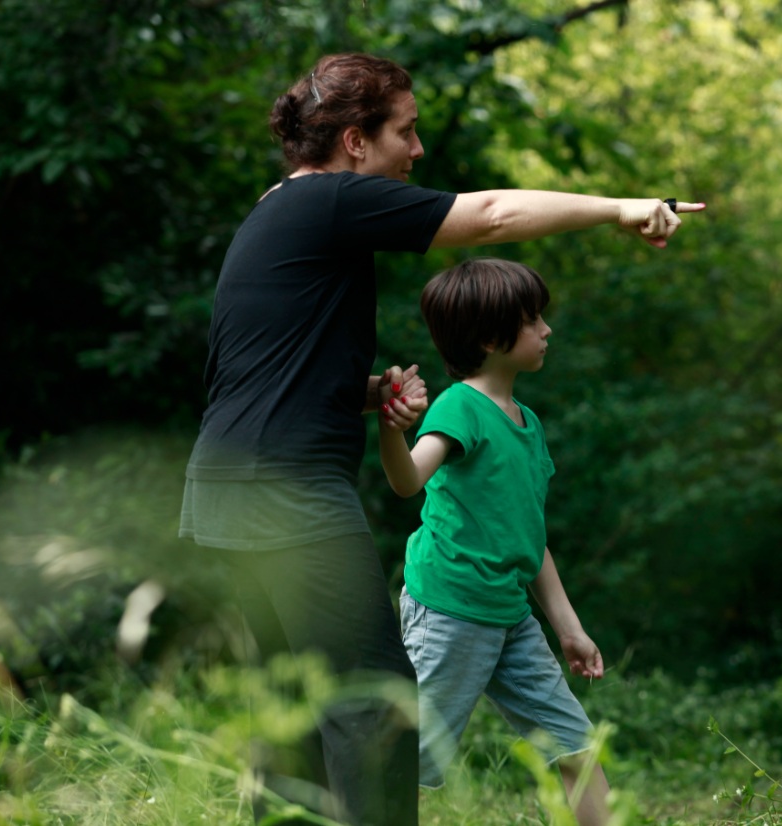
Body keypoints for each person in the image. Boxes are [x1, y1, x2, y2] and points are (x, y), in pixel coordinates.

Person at [179, 52, 703, 826]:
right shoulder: (328, 201)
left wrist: (360, 395)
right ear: (354, 141)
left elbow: (244, 368)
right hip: (289, 493)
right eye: (406, 130)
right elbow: (486, 217)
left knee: (298, 712)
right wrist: (619, 207)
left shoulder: (276, 210)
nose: (417, 150)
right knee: (376, 706)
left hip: (226, 490)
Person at [379, 258, 611, 826]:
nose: (546, 330)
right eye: (533, 320)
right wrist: (390, 427)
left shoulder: (527, 422)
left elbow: (529, 538)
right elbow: (409, 479)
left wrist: (569, 628)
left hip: (510, 618)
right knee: (406, 761)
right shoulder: (461, 406)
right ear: (489, 338)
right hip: (451, 611)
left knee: (575, 743)